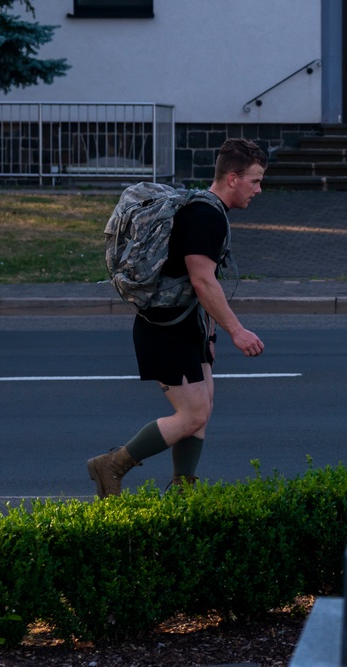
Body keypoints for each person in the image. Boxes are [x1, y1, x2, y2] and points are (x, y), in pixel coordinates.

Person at [87, 138, 267, 497]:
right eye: (255, 180)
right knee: (193, 414)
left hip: (185, 325)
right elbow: (202, 280)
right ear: (233, 178)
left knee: (203, 406)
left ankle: (183, 491)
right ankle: (111, 465)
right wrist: (237, 331)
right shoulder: (205, 216)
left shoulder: (207, 210)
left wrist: (210, 337)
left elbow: (202, 282)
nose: (259, 190)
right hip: (165, 328)